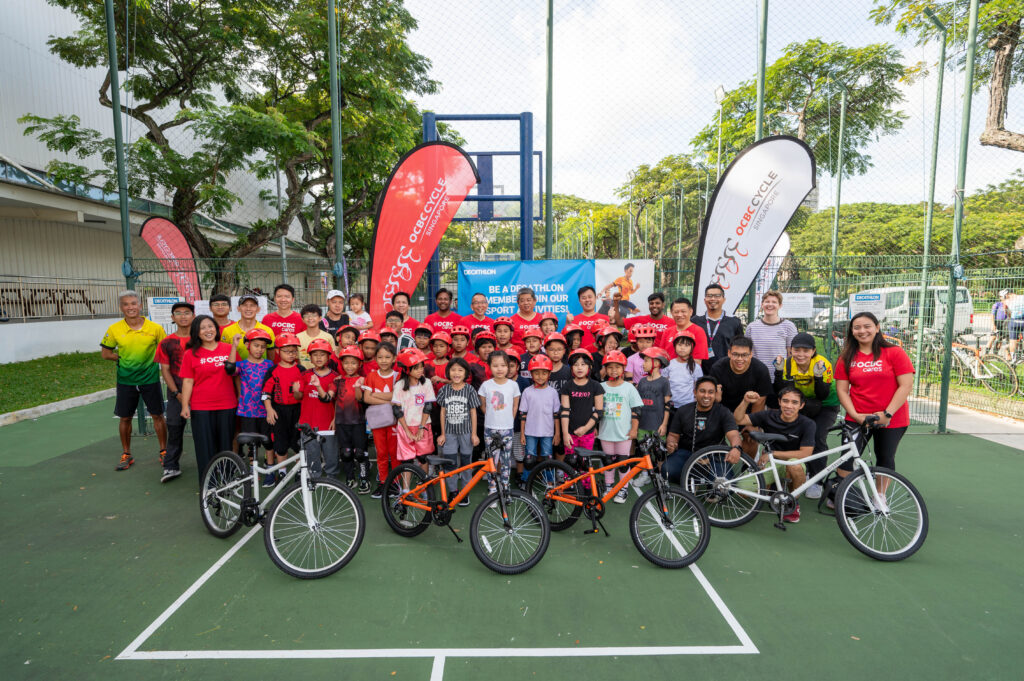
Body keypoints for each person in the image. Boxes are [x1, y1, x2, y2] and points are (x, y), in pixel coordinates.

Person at [834, 311, 915, 478]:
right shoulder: (846, 357)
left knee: (885, 458)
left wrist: (887, 414)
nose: (862, 331)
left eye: (867, 326)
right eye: (857, 327)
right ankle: (841, 491)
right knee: (846, 460)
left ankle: (879, 493)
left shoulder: (895, 352)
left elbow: (906, 385)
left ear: (877, 328)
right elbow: (842, 390)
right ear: (852, 331)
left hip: (891, 418)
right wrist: (856, 416)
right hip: (857, 417)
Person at [100, 290, 168, 471]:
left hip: (150, 379)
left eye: (133, 303)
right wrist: (121, 360)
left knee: (158, 415)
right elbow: (106, 354)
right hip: (126, 381)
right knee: (125, 417)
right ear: (121, 307)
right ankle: (126, 454)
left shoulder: (155, 328)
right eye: (126, 304)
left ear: (140, 305)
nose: (130, 307)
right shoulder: (114, 329)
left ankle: (164, 451)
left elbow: (165, 350)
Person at [734, 386, 816, 523]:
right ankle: (771, 486)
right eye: (785, 401)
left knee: (794, 466)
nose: (789, 406)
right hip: (770, 462)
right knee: (742, 491)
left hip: (792, 461)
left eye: (794, 402)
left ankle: (792, 502)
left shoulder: (808, 424)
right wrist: (745, 401)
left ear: (801, 405)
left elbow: (806, 453)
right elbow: (739, 420)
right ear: (779, 402)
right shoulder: (768, 415)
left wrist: (772, 453)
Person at [773, 332, 840, 499]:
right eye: (797, 350)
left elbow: (823, 394)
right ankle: (787, 473)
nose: (801, 354)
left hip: (825, 404)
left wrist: (818, 377)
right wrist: (778, 373)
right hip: (801, 403)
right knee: (792, 435)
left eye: (806, 350)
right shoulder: (787, 364)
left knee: (817, 436)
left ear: (813, 351)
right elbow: (783, 392)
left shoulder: (823, 364)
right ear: (791, 350)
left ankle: (816, 480)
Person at [178, 315, 236, 484]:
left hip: (227, 404)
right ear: (196, 332)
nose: (208, 330)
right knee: (204, 447)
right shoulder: (190, 354)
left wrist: (240, 397)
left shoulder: (228, 349)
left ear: (216, 329)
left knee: (226, 445)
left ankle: (228, 481)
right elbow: (188, 381)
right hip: (201, 407)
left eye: (210, 326)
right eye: (202, 328)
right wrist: (185, 406)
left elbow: (237, 375)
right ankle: (208, 484)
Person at [664, 376, 742, 484]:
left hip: (715, 455)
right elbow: (673, 435)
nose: (706, 395)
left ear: (715, 394)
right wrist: (671, 443)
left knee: (726, 485)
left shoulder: (723, 412)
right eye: (702, 391)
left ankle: (706, 482)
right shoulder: (683, 411)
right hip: (687, 452)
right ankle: (690, 481)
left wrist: (736, 448)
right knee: (667, 470)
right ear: (695, 392)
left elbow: (733, 435)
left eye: (710, 392)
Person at [226, 328, 274, 482]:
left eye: (263, 347)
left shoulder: (269, 364)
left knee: (268, 441)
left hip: (265, 411)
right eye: (256, 345)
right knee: (252, 443)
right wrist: (234, 346)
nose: (259, 349)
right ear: (248, 345)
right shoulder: (242, 365)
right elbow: (229, 369)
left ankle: (270, 470)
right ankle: (254, 471)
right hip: (248, 411)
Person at [155, 301, 194, 483]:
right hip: (176, 394)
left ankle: (210, 464)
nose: (183, 316)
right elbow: (165, 370)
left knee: (204, 432)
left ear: (193, 316)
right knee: (175, 428)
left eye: (187, 312)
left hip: (200, 395)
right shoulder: (166, 343)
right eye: (178, 313)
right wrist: (177, 393)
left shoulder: (201, 339)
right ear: (172, 317)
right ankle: (170, 466)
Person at [598, 350, 643, 503]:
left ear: (623, 368)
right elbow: (596, 410)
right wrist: (595, 427)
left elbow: (636, 410)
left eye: (617, 367)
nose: (614, 370)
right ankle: (609, 486)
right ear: (605, 369)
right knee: (608, 462)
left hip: (624, 433)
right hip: (606, 432)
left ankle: (623, 489)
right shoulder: (601, 387)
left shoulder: (629, 388)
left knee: (623, 462)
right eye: (610, 367)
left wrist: (634, 429)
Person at [261, 333, 304, 485]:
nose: (291, 354)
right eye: (287, 351)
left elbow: (302, 395)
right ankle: (282, 472)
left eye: (294, 351)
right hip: (278, 411)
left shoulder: (301, 369)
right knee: (280, 444)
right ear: (278, 351)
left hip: (297, 410)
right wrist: (269, 409)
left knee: (298, 443)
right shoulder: (273, 371)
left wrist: (298, 391)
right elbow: (265, 393)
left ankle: (300, 471)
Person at [436, 358, 481, 505]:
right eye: (453, 370)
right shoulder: (444, 390)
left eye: (460, 370)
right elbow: (442, 412)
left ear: (466, 373)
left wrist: (474, 434)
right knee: (450, 463)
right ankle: (453, 491)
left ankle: (465, 492)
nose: (456, 373)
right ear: (448, 372)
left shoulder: (470, 390)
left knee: (466, 463)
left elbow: (473, 413)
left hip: (466, 432)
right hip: (449, 433)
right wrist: (442, 433)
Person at [478, 351, 521, 494]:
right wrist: (492, 417)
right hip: (490, 428)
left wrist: (509, 420)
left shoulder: (513, 385)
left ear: (508, 366)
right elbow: (483, 405)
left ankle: (505, 486)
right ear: (489, 366)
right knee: (492, 460)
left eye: (503, 365)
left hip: (507, 428)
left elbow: (515, 406)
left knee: (506, 459)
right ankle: (492, 488)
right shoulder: (486, 385)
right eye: (495, 365)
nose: (499, 369)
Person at [392, 348, 435, 486]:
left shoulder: (426, 383)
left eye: (421, 367)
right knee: (407, 460)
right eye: (416, 368)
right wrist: (407, 431)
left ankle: (425, 487)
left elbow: (428, 406)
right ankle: (406, 490)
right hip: (405, 426)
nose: (420, 370)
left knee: (423, 458)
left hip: (423, 424)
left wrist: (421, 428)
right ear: (406, 369)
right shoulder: (399, 385)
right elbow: (397, 410)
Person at [362, 342, 399, 498]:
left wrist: (376, 395)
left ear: (394, 358)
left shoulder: (397, 376)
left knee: (394, 453)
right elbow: (366, 398)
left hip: (394, 421)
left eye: (387, 357)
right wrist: (389, 400)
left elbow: (397, 397)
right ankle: (383, 483)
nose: (384, 360)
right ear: (375, 358)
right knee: (381, 453)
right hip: (377, 421)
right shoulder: (371, 376)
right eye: (380, 357)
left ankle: (395, 483)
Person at [517, 354, 562, 484]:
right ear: (531, 374)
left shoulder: (552, 392)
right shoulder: (527, 392)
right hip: (530, 431)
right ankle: (527, 481)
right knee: (529, 458)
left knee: (548, 458)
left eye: (544, 373)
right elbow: (523, 414)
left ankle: (549, 481)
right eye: (536, 373)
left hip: (548, 432)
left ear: (549, 374)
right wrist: (522, 433)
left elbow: (556, 415)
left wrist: (557, 433)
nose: (540, 376)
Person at [298, 339, 339, 477]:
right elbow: (298, 396)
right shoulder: (304, 375)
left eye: (322, 354)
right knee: (312, 455)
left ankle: (332, 478)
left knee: (331, 455)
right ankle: (314, 478)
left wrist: (335, 419)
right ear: (310, 358)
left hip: (328, 423)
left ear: (328, 357)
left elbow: (337, 401)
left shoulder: (335, 377)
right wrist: (296, 390)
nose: (319, 358)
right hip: (309, 422)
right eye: (315, 355)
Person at [334, 345, 370, 493]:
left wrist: (358, 386)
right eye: (346, 363)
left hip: (358, 422)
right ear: (342, 363)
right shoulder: (338, 381)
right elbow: (333, 400)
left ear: (360, 364)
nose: (350, 366)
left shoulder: (363, 380)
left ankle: (364, 479)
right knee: (346, 452)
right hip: (342, 422)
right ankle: (350, 478)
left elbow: (361, 399)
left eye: (353, 363)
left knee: (360, 453)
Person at [560, 349, 604, 464]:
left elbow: (599, 412)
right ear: (571, 368)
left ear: (589, 366)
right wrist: (565, 434)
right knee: (570, 462)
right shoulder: (567, 386)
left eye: (583, 364)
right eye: (576, 365)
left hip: (588, 433)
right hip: (570, 432)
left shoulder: (596, 386)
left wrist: (585, 428)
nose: (579, 368)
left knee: (584, 463)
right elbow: (564, 411)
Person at [745, 290, 798, 382]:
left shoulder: (789, 326)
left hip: (780, 377)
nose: (770, 304)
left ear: (780, 305)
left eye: (774, 302)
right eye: (767, 301)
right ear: (762, 304)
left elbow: (791, 354)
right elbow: (747, 352)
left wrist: (789, 376)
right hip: (757, 377)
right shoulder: (752, 327)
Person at [691, 283, 744, 372]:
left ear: (723, 299)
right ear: (704, 300)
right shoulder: (695, 321)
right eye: (709, 296)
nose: (713, 299)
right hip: (700, 371)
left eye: (717, 296)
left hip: (726, 371)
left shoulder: (734, 321)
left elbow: (740, 347)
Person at [710, 337, 773, 411]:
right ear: (729, 353)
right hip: (723, 411)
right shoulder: (717, 368)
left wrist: (751, 418)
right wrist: (715, 399)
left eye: (744, 355)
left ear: (751, 354)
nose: (740, 359)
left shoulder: (761, 370)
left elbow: (760, 402)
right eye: (735, 354)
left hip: (748, 412)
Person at [221, 293, 275, 361]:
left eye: (252, 305)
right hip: (236, 367)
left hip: (261, 368)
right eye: (244, 305)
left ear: (258, 309)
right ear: (238, 308)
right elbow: (224, 356)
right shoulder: (227, 331)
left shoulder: (267, 331)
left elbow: (271, 359)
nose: (248, 309)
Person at [657, 297, 710, 363]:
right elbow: (661, 356)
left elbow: (697, 361)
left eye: (683, 311)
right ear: (671, 313)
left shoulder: (698, 331)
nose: (679, 315)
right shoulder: (667, 331)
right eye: (676, 312)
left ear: (691, 312)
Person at [636, 347, 672, 443]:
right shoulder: (642, 381)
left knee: (658, 451)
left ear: (656, 363)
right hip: (642, 426)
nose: (643, 364)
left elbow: (668, 405)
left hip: (658, 426)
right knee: (643, 451)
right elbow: (637, 405)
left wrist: (664, 425)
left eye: (646, 361)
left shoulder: (664, 382)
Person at [662, 329, 703, 408]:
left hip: (688, 405)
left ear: (692, 348)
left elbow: (698, 386)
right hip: (671, 405)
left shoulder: (696, 367)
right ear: (675, 346)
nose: (682, 348)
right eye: (680, 345)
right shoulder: (669, 364)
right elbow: (664, 384)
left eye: (687, 345)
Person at [295, 304, 338, 369]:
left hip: (324, 373)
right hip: (304, 373)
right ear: (302, 319)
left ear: (320, 318)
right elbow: (296, 359)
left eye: (314, 315)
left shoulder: (328, 337)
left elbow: (332, 359)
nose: (310, 318)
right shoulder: (297, 338)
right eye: (306, 316)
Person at [986, 289, 1011, 354]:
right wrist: (993, 325)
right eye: (1000, 296)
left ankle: (995, 354)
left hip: (1005, 323)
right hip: (997, 322)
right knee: (992, 338)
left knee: (1000, 339)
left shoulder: (1009, 304)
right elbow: (992, 315)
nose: (1001, 298)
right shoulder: (997, 304)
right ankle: (986, 353)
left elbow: (1010, 315)